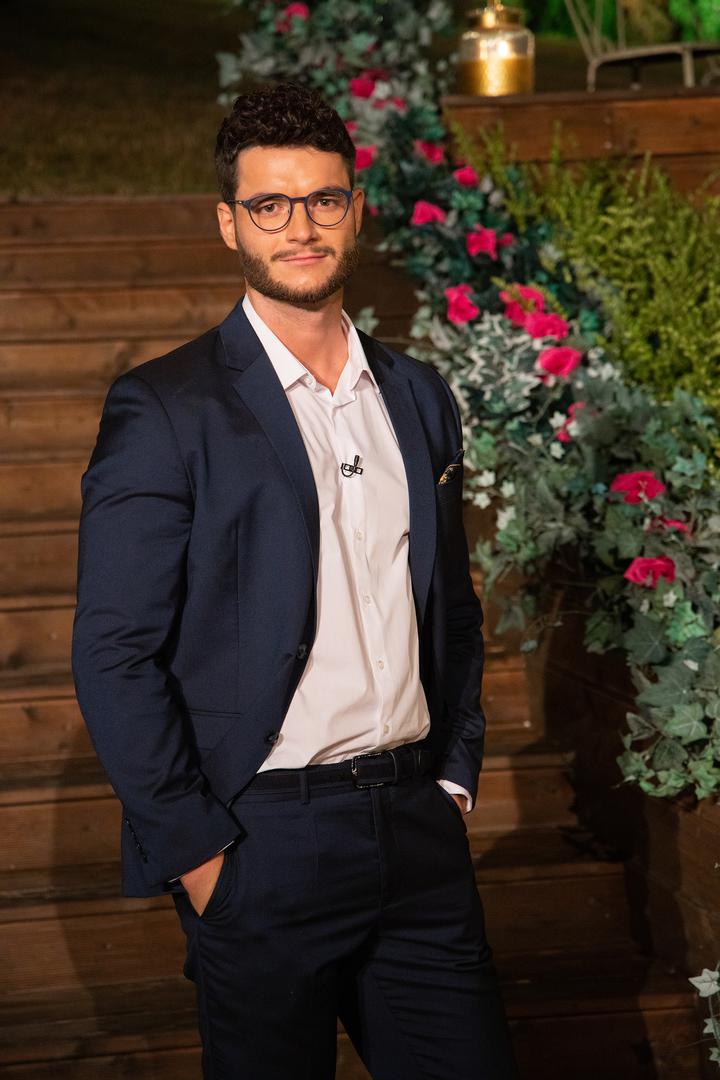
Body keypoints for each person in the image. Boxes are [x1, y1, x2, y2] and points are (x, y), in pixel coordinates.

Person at [71, 80, 518, 1080]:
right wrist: (201, 856)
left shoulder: (417, 395)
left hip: (417, 827)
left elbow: (449, 604)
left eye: (321, 199)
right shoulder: (166, 408)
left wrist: (453, 772)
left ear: (355, 210)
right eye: (269, 205)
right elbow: (114, 652)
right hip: (261, 840)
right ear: (228, 222)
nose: (300, 227)